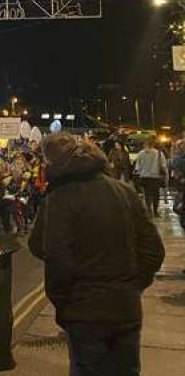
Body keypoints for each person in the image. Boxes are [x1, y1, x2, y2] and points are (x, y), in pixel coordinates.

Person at [30, 133, 164, 376]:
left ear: (52, 162)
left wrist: (64, 301)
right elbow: (153, 250)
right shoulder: (124, 191)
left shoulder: (59, 199)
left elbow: (50, 254)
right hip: (125, 306)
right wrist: (132, 285)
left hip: (84, 310)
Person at [134, 137, 168, 217]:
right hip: (155, 177)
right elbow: (163, 165)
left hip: (144, 176)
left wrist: (138, 173)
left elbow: (138, 166)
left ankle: (149, 209)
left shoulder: (141, 153)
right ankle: (155, 211)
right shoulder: (159, 153)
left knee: (147, 194)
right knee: (156, 194)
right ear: (153, 144)